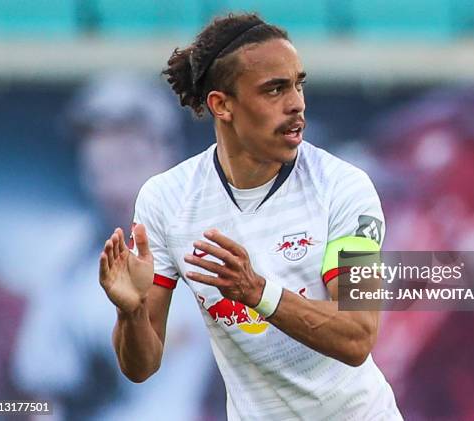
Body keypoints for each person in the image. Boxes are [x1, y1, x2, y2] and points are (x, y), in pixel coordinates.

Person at [99, 13, 402, 420]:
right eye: (274, 90)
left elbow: (359, 334)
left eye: (298, 84)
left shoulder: (345, 188)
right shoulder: (166, 200)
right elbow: (141, 366)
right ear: (222, 105)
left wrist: (257, 292)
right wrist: (130, 311)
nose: (296, 103)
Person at [12, 73, 217, 421]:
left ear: (165, 154)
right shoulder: (68, 272)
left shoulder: (218, 247)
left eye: (129, 160)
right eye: (101, 167)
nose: (114, 184)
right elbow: (36, 398)